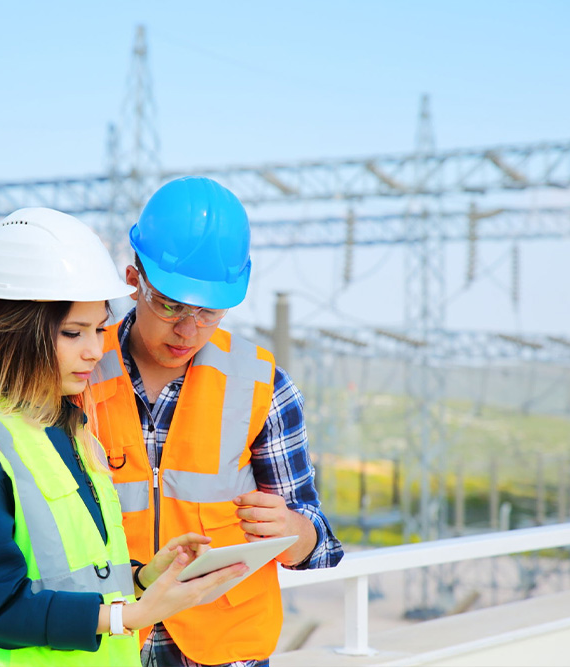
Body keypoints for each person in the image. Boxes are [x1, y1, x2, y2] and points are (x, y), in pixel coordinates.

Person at [0, 207, 247, 667]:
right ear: (18, 333)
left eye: (100, 328)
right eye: (72, 332)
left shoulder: (70, 428)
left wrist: (144, 577)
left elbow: (79, 577)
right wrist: (132, 614)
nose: (94, 349)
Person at [89, 177, 345, 667]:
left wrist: (294, 529)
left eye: (209, 312)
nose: (188, 329)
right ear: (132, 278)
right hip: (108, 639)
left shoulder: (263, 386)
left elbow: (320, 542)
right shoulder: (79, 372)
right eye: (170, 306)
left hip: (223, 651)